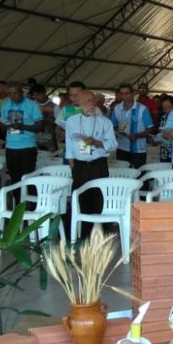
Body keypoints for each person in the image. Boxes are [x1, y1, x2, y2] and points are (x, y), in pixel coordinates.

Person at [64, 90, 117, 238]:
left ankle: (102, 234)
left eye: (93, 101)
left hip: (98, 165)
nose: (92, 104)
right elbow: (69, 145)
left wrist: (96, 142)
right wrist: (71, 162)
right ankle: (84, 235)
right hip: (80, 166)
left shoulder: (105, 122)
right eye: (87, 101)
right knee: (81, 200)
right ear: (79, 103)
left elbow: (113, 144)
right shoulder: (72, 121)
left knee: (99, 200)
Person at [0, 81, 44, 186]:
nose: (12, 96)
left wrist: (22, 126)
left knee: (28, 178)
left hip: (27, 148)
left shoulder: (32, 105)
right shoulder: (5, 105)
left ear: (22, 92)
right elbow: (2, 124)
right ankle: (18, 201)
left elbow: (39, 126)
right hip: (10, 147)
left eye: (15, 93)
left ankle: (30, 201)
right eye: (10, 93)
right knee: (14, 179)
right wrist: (3, 125)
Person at [111, 83, 155, 169]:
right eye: (122, 93)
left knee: (140, 174)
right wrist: (116, 132)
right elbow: (113, 125)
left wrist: (137, 135)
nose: (124, 96)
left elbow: (151, 128)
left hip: (138, 149)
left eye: (127, 93)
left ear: (132, 93)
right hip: (121, 147)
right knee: (123, 174)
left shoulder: (142, 109)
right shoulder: (117, 108)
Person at [157, 95, 173, 164]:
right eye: (164, 108)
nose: (166, 110)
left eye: (168, 107)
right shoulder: (163, 117)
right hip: (164, 150)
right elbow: (160, 130)